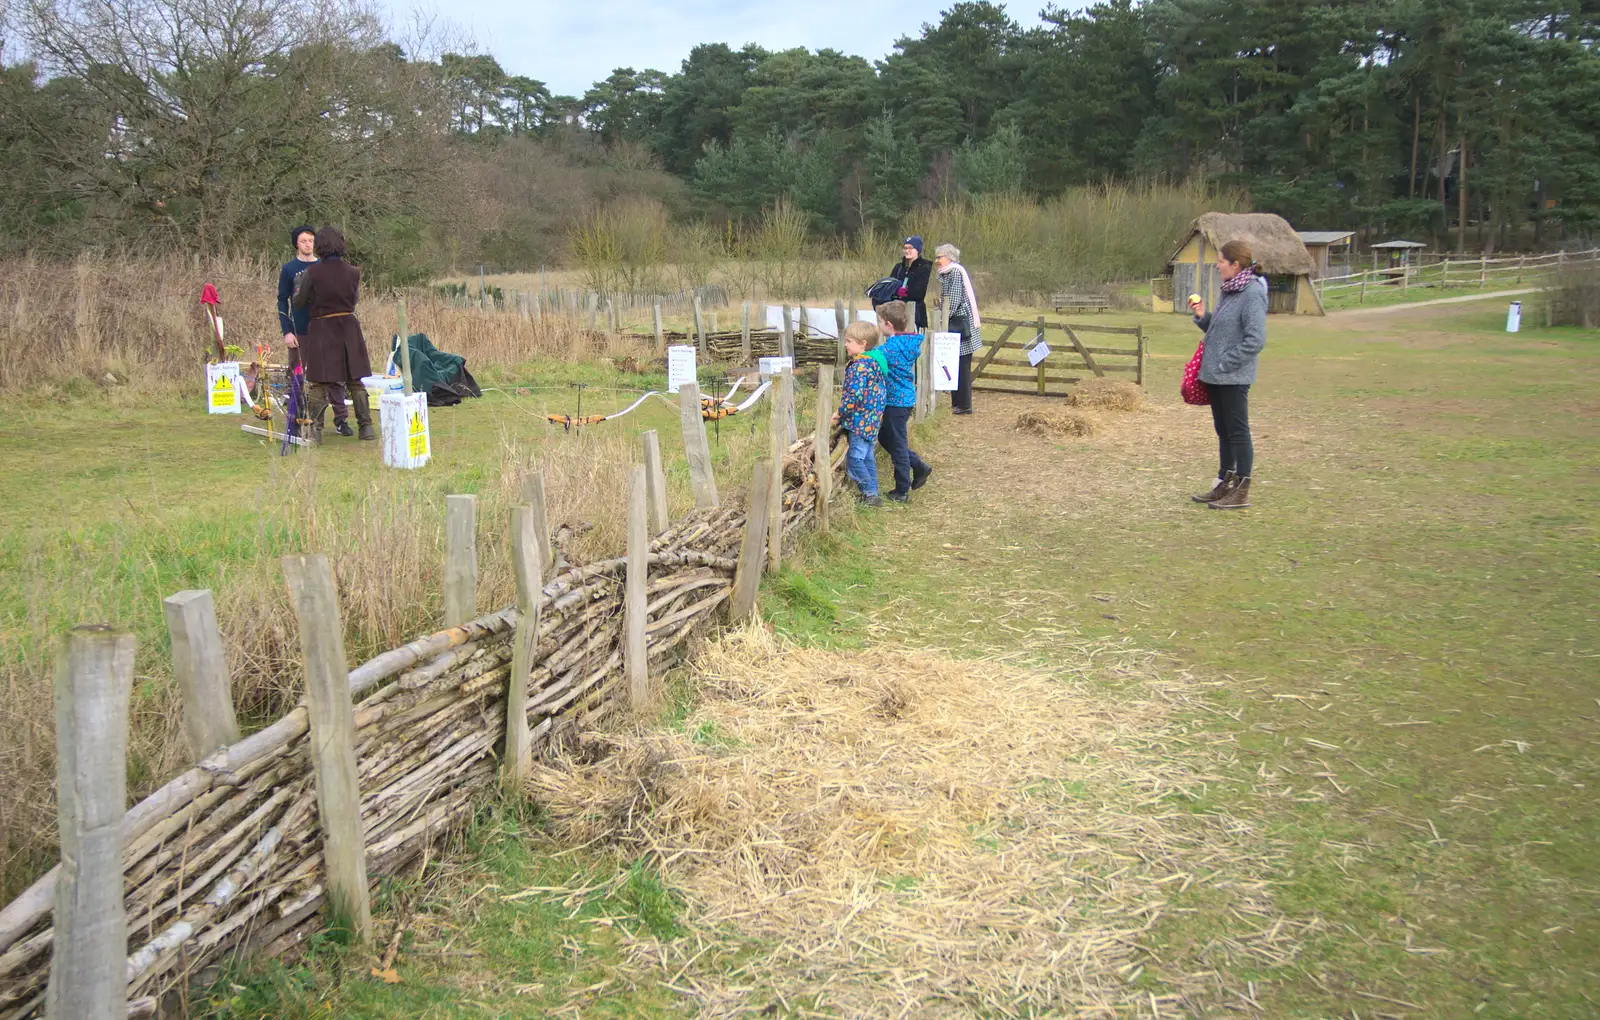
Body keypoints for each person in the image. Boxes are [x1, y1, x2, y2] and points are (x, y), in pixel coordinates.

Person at [1187, 239, 1268, 509]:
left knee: (1237, 432)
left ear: (1236, 264)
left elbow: (1255, 339)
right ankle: (1225, 482)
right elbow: (1221, 333)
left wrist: (1225, 363)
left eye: (1221, 261)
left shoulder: (1252, 293)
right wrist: (1203, 316)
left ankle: (1242, 489)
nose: (1217, 265)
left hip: (1232, 376)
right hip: (1215, 377)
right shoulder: (1229, 291)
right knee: (1223, 431)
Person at [291, 227, 374, 443]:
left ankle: (315, 432)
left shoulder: (312, 273)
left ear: (320, 246)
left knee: (319, 382)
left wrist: (299, 288)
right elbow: (353, 300)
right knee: (355, 380)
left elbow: (299, 302)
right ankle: (366, 428)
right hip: (348, 326)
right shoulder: (353, 272)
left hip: (322, 328)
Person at [276, 225, 350, 436]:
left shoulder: (324, 266)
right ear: (296, 244)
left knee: (334, 375)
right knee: (297, 375)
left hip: (326, 331)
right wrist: (287, 331)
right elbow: (282, 301)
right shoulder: (289, 269)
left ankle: (341, 419)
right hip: (301, 332)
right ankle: (295, 420)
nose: (308, 244)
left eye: (311, 240)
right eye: (303, 241)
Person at [874, 300, 932, 502]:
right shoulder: (909, 342)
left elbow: (873, 357)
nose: (878, 325)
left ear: (888, 325)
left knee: (898, 445)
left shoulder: (890, 348)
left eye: (880, 322)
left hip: (895, 402)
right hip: (904, 398)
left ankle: (902, 490)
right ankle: (918, 465)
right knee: (885, 438)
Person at [832, 321, 889, 506]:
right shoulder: (875, 363)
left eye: (849, 341)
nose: (846, 344)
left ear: (862, 343)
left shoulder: (859, 366)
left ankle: (870, 493)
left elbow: (853, 396)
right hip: (872, 419)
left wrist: (839, 413)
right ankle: (874, 491)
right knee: (867, 456)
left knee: (855, 459)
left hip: (860, 421)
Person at [933, 243, 983, 415]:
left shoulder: (954, 272)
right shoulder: (948, 273)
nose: (937, 260)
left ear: (949, 257)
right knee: (956, 365)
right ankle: (958, 403)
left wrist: (941, 317)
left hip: (960, 326)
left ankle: (963, 405)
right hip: (957, 324)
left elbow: (953, 301)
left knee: (961, 365)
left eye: (939, 257)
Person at [889, 236, 933, 329]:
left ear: (917, 250)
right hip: (897, 312)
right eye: (905, 248)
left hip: (916, 313)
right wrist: (896, 291)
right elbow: (890, 286)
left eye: (910, 248)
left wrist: (906, 293)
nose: (907, 250)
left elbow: (919, 293)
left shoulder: (924, 267)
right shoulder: (898, 267)